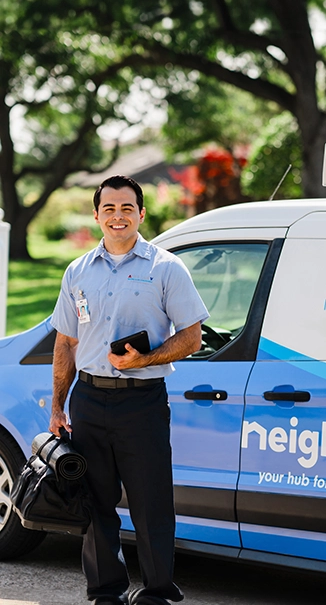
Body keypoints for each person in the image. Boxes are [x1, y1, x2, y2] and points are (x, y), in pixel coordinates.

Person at [49, 175, 209, 605]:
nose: (117, 217)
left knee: (150, 502)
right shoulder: (77, 271)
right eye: (109, 209)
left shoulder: (166, 268)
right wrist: (58, 406)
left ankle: (157, 592)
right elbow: (65, 342)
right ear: (97, 215)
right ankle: (106, 592)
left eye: (126, 209)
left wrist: (143, 359)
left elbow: (192, 338)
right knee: (95, 502)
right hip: (88, 400)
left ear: (141, 213)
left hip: (142, 402)